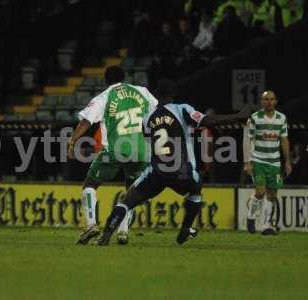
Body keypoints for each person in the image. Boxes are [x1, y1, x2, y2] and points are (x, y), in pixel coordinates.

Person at [97, 79, 252, 246]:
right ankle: (185, 229)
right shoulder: (182, 109)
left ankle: (106, 236)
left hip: (157, 171)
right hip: (181, 170)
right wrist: (238, 117)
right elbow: (208, 121)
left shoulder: (147, 119)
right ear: (173, 94)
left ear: (157, 95)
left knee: (126, 201)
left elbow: (151, 141)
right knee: (195, 190)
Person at [68, 65, 158, 245]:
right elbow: (157, 113)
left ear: (105, 80)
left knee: (90, 184)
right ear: (124, 77)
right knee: (132, 191)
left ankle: (91, 224)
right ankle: (123, 232)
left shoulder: (104, 97)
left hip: (115, 149)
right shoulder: (142, 92)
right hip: (141, 150)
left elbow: (86, 122)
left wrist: (72, 141)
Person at [244, 90, 291, 235]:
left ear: (275, 101)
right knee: (260, 192)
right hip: (258, 160)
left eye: (271, 99)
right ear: (262, 102)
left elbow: (284, 140)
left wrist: (287, 162)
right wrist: (248, 162)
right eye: (266, 100)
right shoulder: (254, 118)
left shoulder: (281, 118)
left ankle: (266, 226)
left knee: (272, 195)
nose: (269, 102)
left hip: (274, 163)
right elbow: (247, 140)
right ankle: (251, 217)